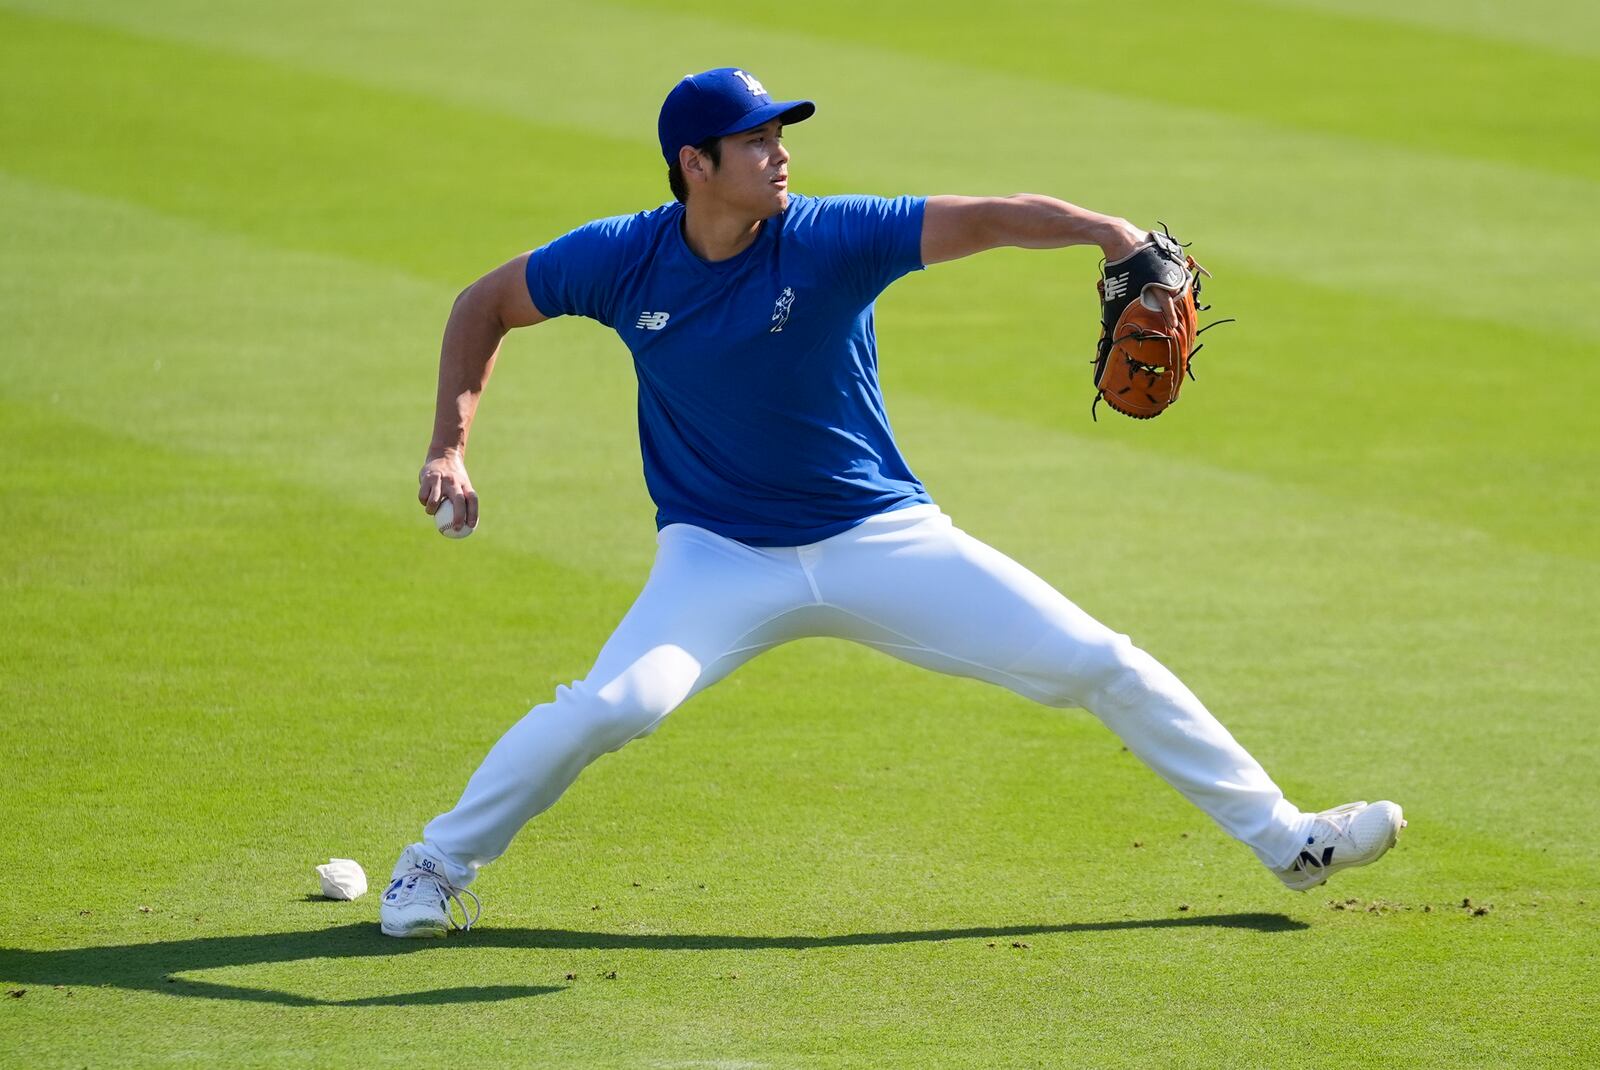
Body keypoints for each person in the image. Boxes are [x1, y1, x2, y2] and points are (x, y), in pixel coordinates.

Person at [379, 67, 1403, 938]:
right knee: (611, 707)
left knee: (1099, 660)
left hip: (881, 536)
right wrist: (448, 447)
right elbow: (485, 302)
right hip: (717, 554)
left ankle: (1288, 837)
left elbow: (990, 217)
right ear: (695, 163)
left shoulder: (830, 237)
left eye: (782, 135)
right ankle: (432, 865)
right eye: (754, 141)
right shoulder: (618, 258)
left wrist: (1106, 231)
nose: (780, 154)